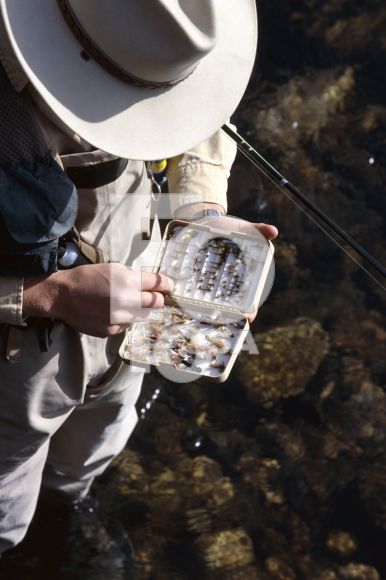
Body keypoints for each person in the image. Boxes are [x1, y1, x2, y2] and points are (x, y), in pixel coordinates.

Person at [0, 0, 277, 554]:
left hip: (136, 331)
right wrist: (43, 295)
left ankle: (61, 516)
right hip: (14, 377)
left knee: (85, 464)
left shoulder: (171, 29)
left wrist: (199, 212)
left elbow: (200, 119)